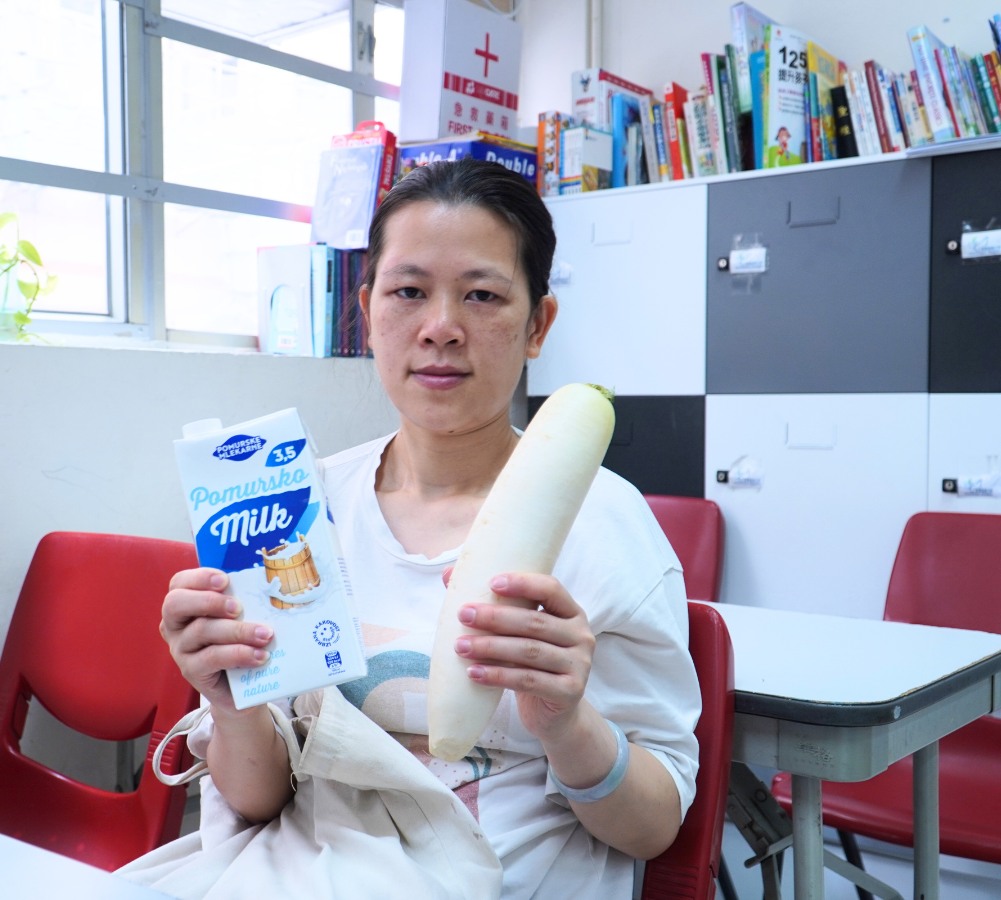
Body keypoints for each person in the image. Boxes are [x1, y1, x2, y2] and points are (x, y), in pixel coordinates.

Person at [159, 158, 702, 899]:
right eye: (409, 292)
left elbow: (655, 828)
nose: (441, 328)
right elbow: (261, 801)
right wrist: (230, 700)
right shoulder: (298, 508)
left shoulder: (606, 528)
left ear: (538, 325)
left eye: (482, 296)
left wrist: (567, 722)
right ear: (367, 311)